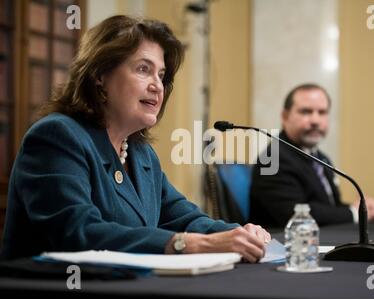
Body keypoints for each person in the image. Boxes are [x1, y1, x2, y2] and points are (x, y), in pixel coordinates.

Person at [0, 15, 270, 262]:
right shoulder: (57, 137)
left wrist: (238, 233)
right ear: (100, 77)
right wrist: (185, 244)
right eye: (143, 69)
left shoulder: (141, 153)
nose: (157, 85)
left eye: (161, 76)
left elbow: (183, 216)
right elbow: (78, 232)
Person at [249, 83, 374, 227]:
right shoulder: (272, 159)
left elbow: (329, 207)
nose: (315, 121)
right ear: (285, 117)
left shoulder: (320, 157)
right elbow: (296, 215)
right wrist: (353, 213)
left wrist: (362, 208)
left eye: (322, 112)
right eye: (306, 112)